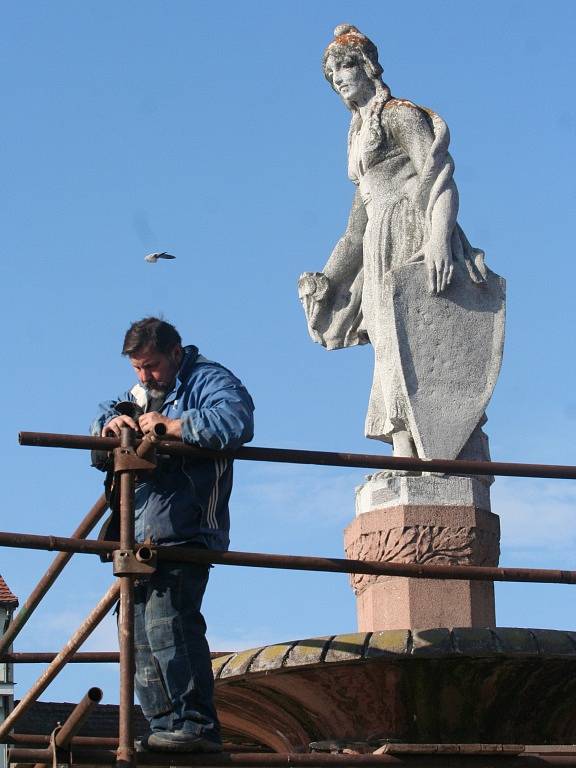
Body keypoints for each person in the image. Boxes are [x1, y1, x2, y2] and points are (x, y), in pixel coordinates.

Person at [299, 24, 503, 465]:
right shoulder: (358, 134)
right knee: (389, 348)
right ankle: (403, 450)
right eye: (331, 74)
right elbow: (355, 230)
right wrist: (328, 280)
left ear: (368, 66)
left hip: (412, 229)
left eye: (344, 66)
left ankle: (445, 444)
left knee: (416, 342)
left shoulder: (398, 115)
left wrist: (438, 240)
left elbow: (440, 177)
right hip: (378, 241)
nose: (338, 79)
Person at [91, 317, 254, 753]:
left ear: (176, 353)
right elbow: (110, 411)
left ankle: (194, 726)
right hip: (141, 534)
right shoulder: (141, 395)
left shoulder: (208, 380)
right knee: (138, 634)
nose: (146, 376)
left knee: (170, 627)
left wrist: (170, 426)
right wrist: (109, 423)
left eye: (154, 366)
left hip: (185, 531)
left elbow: (235, 421)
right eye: (138, 368)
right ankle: (166, 726)